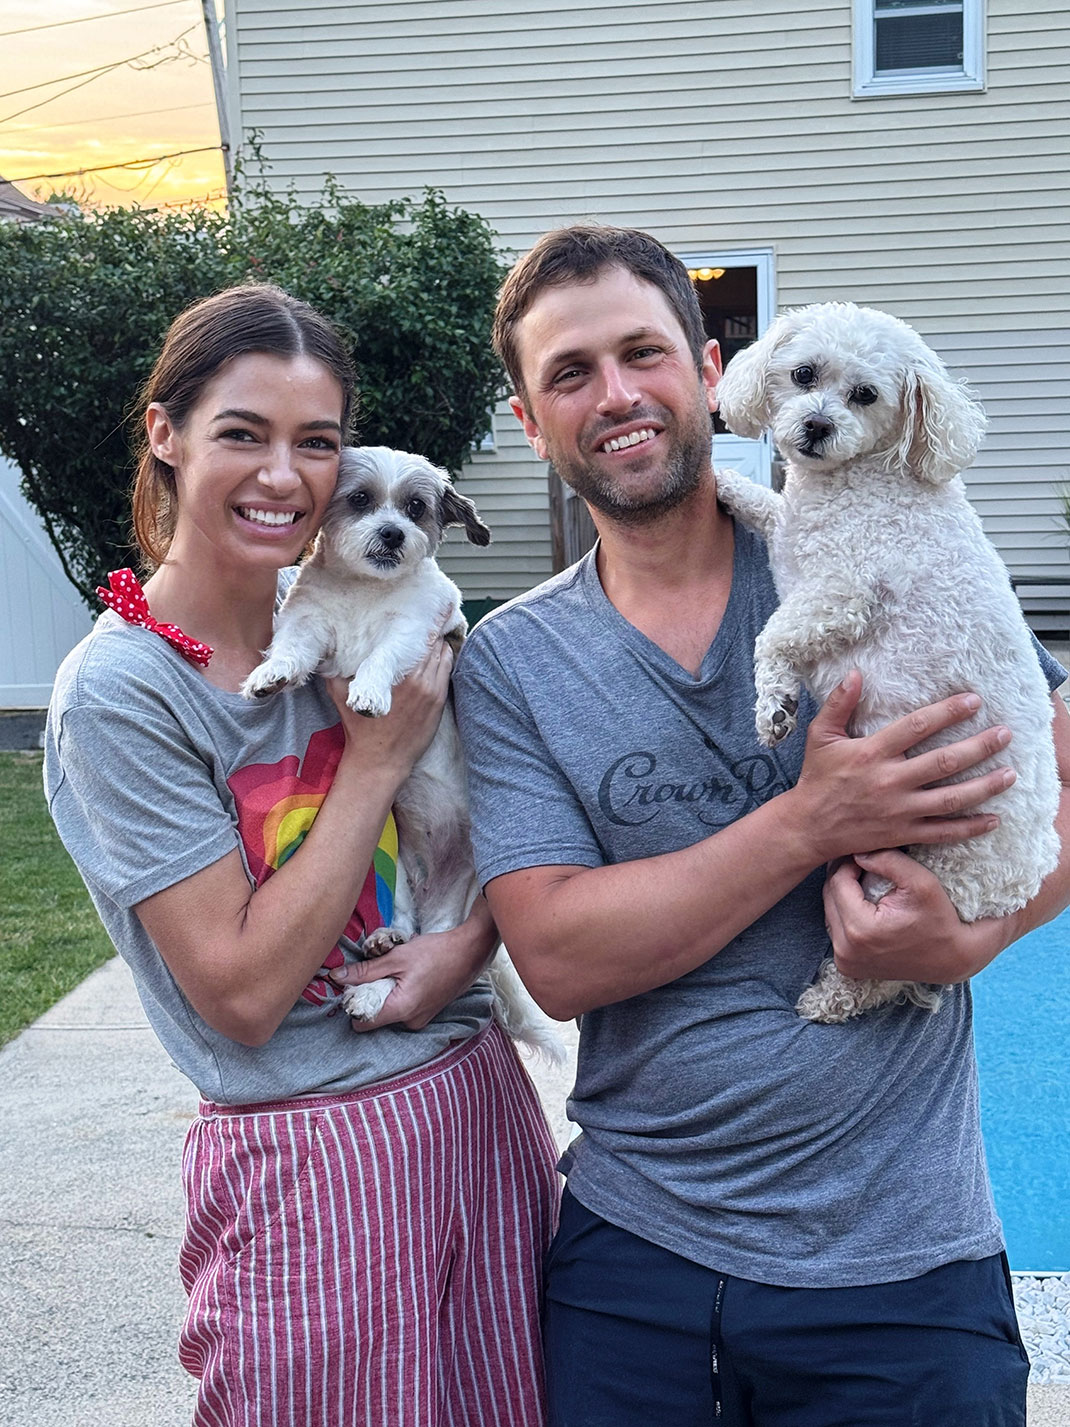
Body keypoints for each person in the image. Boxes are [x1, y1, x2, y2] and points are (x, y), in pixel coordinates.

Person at [452, 225, 1070, 1427]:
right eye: (569, 373)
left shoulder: (872, 542)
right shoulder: (514, 659)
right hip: (633, 1254)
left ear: (707, 366)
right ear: (531, 421)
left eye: (642, 352)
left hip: (902, 1256)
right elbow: (561, 957)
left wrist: (969, 939)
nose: (616, 393)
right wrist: (804, 823)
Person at [44, 282, 559, 1427]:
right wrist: (374, 763)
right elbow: (239, 992)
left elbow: (490, 836)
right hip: (314, 1160)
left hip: (478, 1103)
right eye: (243, 433)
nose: (283, 475)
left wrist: (463, 942)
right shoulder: (124, 695)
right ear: (166, 434)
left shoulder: (357, 607)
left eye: (315, 443)